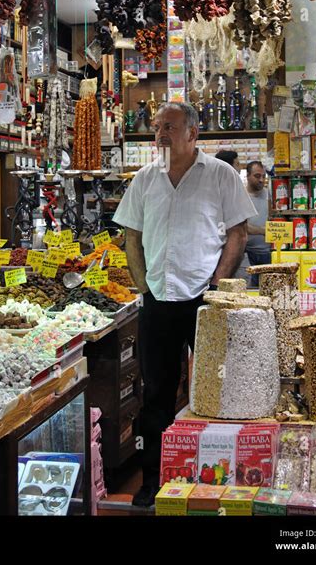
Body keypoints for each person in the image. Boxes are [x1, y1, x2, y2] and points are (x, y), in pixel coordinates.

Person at [113, 102, 257, 507]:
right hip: (158, 301)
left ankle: (220, 480)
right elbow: (131, 237)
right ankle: (152, 483)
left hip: (203, 300)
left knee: (217, 389)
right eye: (158, 127)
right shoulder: (144, 179)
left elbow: (238, 234)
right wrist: (143, 287)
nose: (160, 134)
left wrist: (217, 284)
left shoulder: (220, 175)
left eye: (169, 127)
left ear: (194, 134)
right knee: (155, 393)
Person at [245, 160, 271, 287]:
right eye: (257, 176)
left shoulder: (270, 196)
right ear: (248, 176)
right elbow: (240, 227)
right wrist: (263, 231)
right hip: (246, 255)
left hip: (268, 253)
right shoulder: (241, 197)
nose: (261, 180)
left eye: (263, 176)